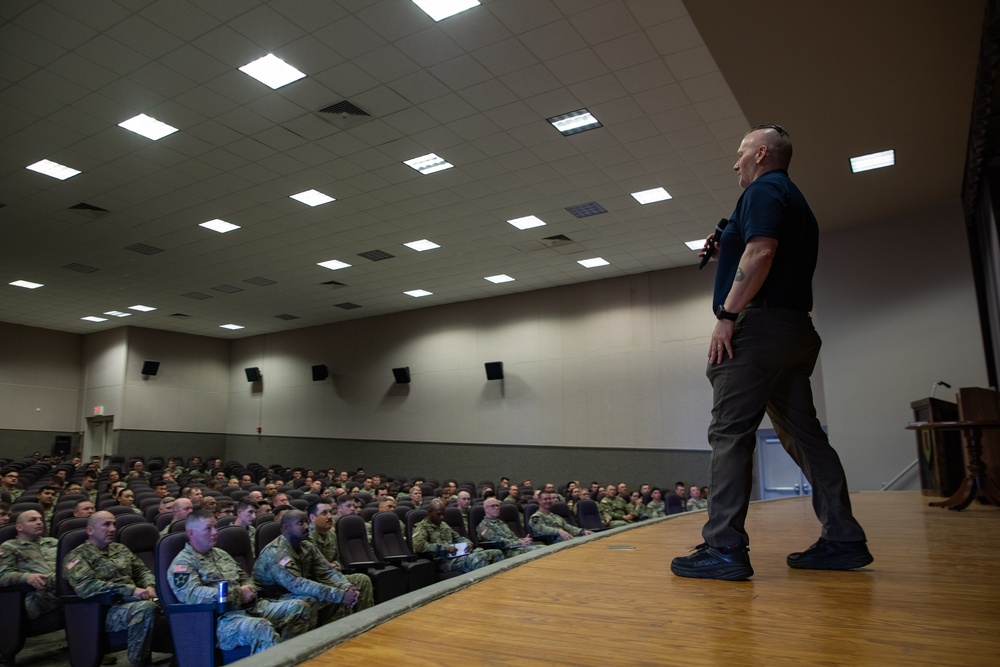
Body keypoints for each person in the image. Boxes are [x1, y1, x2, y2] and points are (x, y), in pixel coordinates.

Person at [670, 124, 872, 582]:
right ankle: (843, 538)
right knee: (806, 436)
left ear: (761, 154)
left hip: (757, 330)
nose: (735, 162)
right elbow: (760, 250)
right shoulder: (794, 200)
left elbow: (761, 254)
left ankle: (723, 546)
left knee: (730, 433)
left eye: (740, 153)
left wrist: (726, 313)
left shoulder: (762, 191)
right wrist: (729, 245)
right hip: (795, 330)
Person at [168, 511, 311, 652]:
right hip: (220, 621)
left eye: (215, 527)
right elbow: (192, 594)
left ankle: (291, 655)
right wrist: (237, 594)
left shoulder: (221, 554)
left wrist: (249, 588)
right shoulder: (182, 564)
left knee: (299, 607)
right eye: (208, 529)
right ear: (191, 533)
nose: (215, 532)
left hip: (249, 608)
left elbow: (244, 577)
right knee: (260, 627)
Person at [63, 512, 166, 667]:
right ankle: (139, 663)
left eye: (114, 524)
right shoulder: (75, 557)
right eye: (106, 524)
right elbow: (87, 587)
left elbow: (141, 571)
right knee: (145, 608)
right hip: (102, 611)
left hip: (132, 602)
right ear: (90, 530)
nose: (112, 529)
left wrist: (149, 586)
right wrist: (130, 590)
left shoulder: (121, 549)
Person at [252, 510, 361, 629]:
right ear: (286, 528)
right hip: (271, 599)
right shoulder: (276, 552)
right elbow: (297, 584)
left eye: (307, 522)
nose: (307, 526)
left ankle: (339, 631)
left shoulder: (306, 545)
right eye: (300, 523)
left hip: (291, 592)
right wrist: (340, 595)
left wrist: (346, 587)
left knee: (358, 581)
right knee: (312, 599)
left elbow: (326, 571)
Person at [304, 502, 374, 615]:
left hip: (333, 575)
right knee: (344, 588)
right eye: (324, 513)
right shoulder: (307, 537)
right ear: (312, 518)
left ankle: (364, 617)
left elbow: (337, 558)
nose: (329, 516)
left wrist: (336, 564)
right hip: (318, 581)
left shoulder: (331, 535)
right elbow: (312, 568)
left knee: (362, 579)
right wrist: (329, 567)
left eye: (331, 512)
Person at [412, 500, 503, 573]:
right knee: (477, 558)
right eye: (438, 514)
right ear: (429, 512)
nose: (442, 517)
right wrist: (445, 548)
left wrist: (468, 543)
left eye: (443, 514)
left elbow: (458, 538)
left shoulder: (443, 524)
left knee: (496, 553)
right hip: (441, 561)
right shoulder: (421, 527)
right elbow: (419, 546)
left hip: (455, 556)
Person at [0, 510, 60, 618]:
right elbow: (2, 576)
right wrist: (27, 577)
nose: (39, 522)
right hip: (38, 594)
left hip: (62, 586)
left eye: (41, 520)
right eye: (33, 520)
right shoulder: (9, 547)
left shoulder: (54, 542)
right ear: (19, 527)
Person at [476, 497, 543, 556]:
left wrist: (524, 540)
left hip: (516, 547)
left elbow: (513, 537)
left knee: (542, 548)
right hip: (504, 552)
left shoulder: (500, 523)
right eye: (492, 506)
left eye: (497, 505)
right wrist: (520, 542)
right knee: (536, 551)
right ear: (485, 509)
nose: (496, 508)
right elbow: (500, 542)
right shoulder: (483, 526)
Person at [528, 490, 593, 541]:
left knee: (588, 538)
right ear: (539, 501)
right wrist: (558, 531)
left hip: (565, 539)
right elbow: (541, 530)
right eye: (545, 499)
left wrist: (582, 531)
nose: (548, 501)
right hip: (551, 542)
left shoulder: (555, 516)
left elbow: (568, 527)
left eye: (550, 499)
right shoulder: (536, 517)